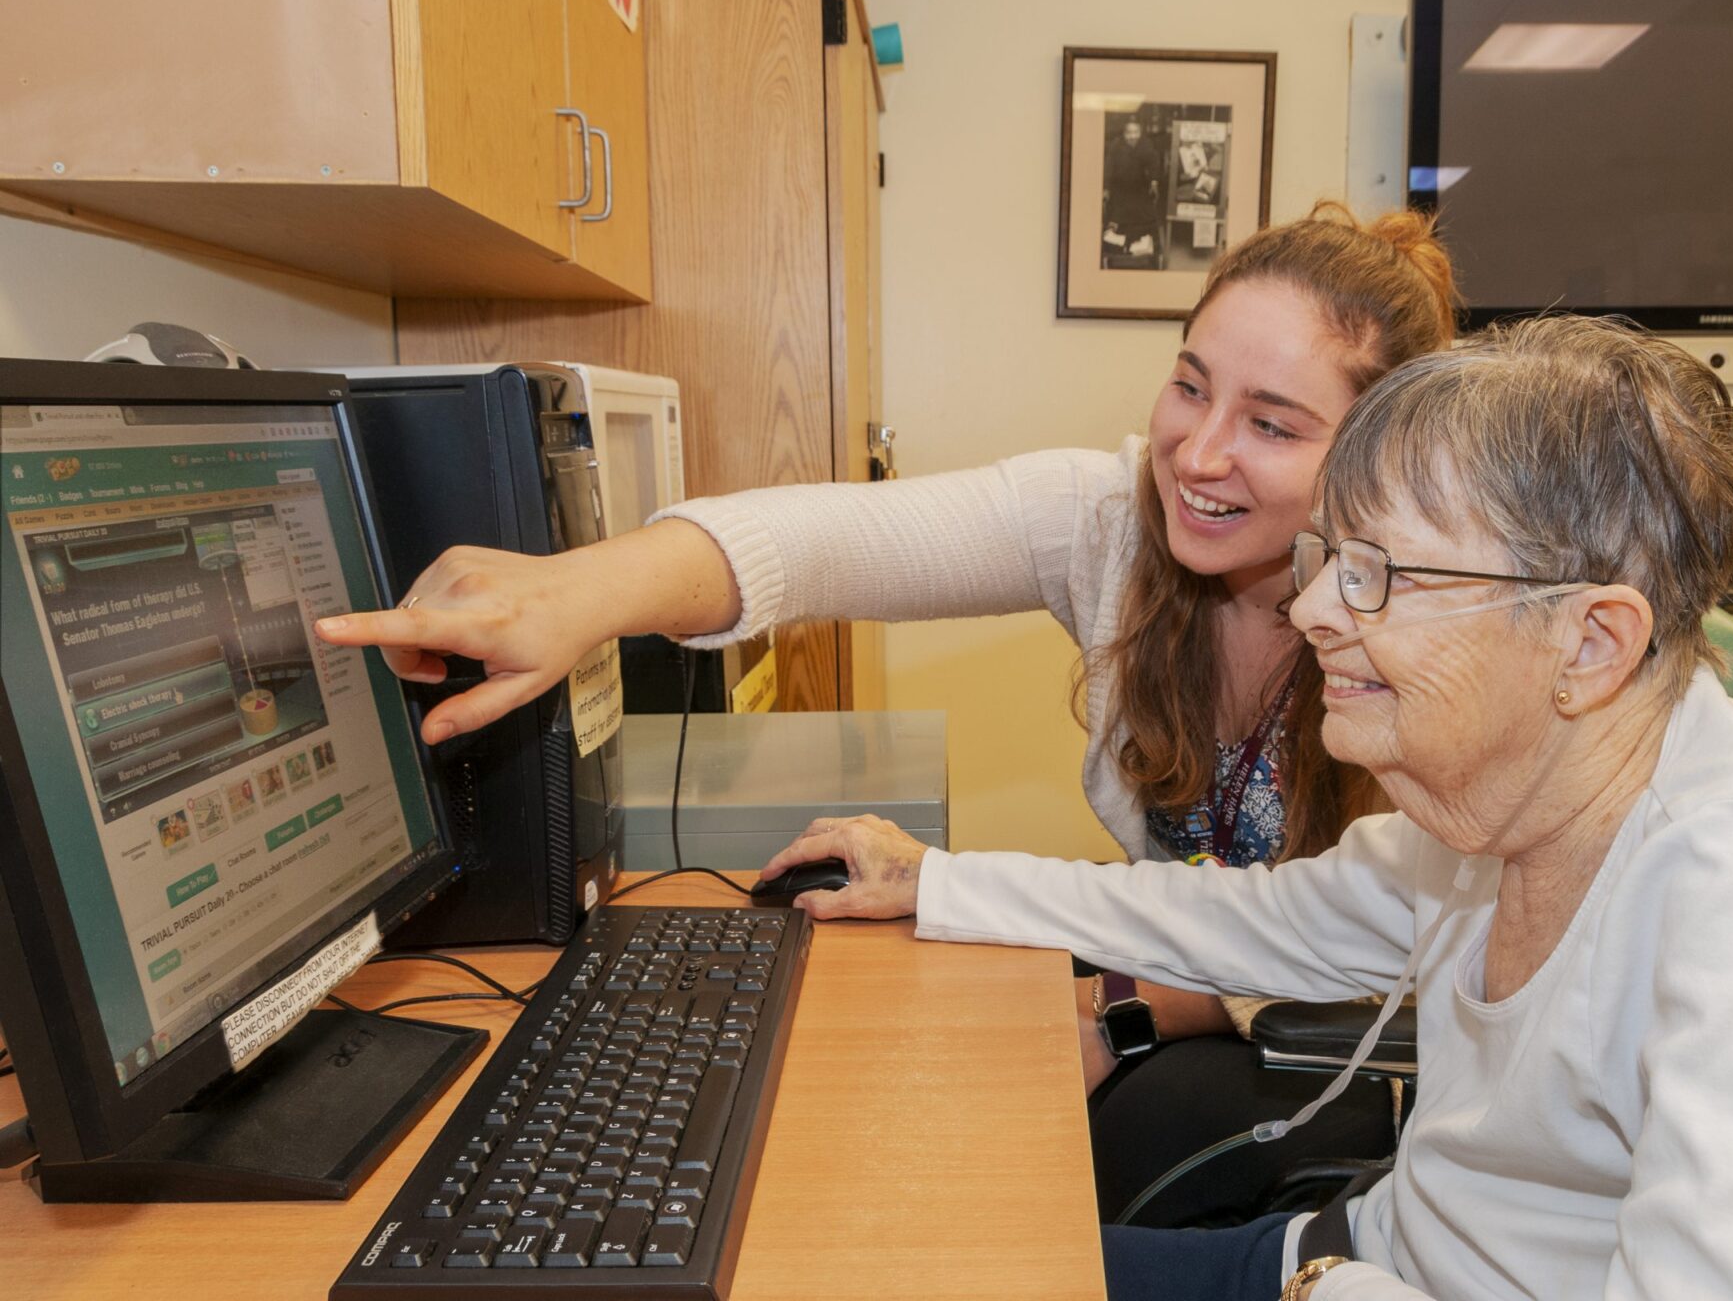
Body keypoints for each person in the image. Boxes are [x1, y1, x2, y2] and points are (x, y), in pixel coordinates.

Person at [755, 315, 1733, 1300]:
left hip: (1372, 1282)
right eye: (1334, 559)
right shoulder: (1499, 812)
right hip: (1367, 1262)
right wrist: (930, 878)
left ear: (1590, 646)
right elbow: (1235, 921)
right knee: (879, 1263)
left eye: (1380, 574)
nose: (1314, 610)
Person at [312, 202, 1463, 1222]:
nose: (1196, 452)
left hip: (1373, 1059)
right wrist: (578, 592)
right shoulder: (1110, 522)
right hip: (1195, 976)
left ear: (1374, 455)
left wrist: (1124, 1011)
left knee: (1081, 1167)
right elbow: (822, 542)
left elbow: (1391, 944)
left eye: (1270, 423)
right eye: (1188, 383)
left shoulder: (1436, 624)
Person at [1104, 118, 1164, 264]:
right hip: (1120, 190)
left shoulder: (1146, 145)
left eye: (1136, 132)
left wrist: (1154, 182)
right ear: (1124, 133)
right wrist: (1106, 188)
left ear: (1140, 132)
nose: (1132, 136)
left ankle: (1149, 250)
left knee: (1146, 218)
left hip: (1140, 190)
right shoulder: (1115, 146)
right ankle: (1117, 250)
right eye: (1129, 133)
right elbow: (1108, 168)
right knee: (1116, 218)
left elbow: (1154, 163)